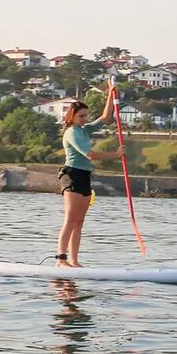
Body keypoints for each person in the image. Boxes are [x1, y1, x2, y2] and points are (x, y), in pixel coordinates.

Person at [55, 80, 119, 267]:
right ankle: (61, 259)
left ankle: (74, 261)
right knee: (70, 218)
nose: (84, 119)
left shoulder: (84, 130)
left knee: (79, 221)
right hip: (71, 174)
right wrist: (115, 155)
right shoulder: (72, 133)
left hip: (84, 176)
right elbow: (89, 154)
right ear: (72, 116)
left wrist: (111, 93)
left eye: (85, 116)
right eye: (81, 116)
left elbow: (106, 117)